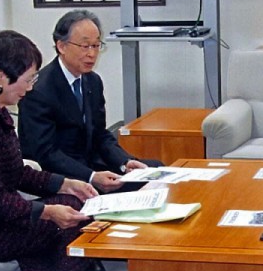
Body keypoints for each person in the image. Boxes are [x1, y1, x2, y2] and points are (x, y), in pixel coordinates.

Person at [0, 30, 102, 271]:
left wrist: (65, 185)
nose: (29, 88)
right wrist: (47, 212)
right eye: (27, 80)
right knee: (65, 219)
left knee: (73, 202)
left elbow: (16, 173)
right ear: (0, 78)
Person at [18, 10, 162, 194]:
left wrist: (124, 162)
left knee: (154, 171)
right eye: (85, 46)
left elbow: (100, 134)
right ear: (61, 46)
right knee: (133, 188)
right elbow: (46, 153)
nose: (92, 54)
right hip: (61, 175)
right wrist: (92, 176)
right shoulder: (38, 90)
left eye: (96, 46)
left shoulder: (92, 81)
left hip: (90, 165)